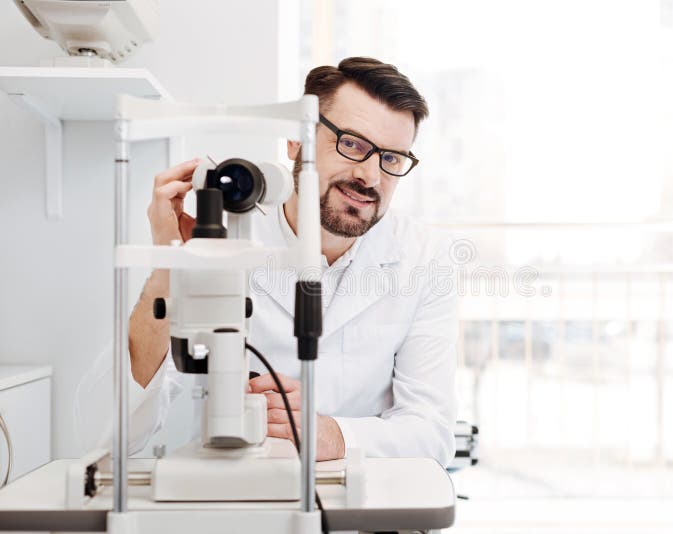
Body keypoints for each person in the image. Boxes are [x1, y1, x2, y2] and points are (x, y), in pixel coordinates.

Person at [127, 57, 457, 466]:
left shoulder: (425, 258)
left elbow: (434, 432)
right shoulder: (228, 241)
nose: (371, 176)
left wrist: (334, 434)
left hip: (367, 507)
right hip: (243, 503)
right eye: (352, 144)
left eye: (391, 159)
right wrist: (168, 266)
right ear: (295, 141)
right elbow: (127, 429)